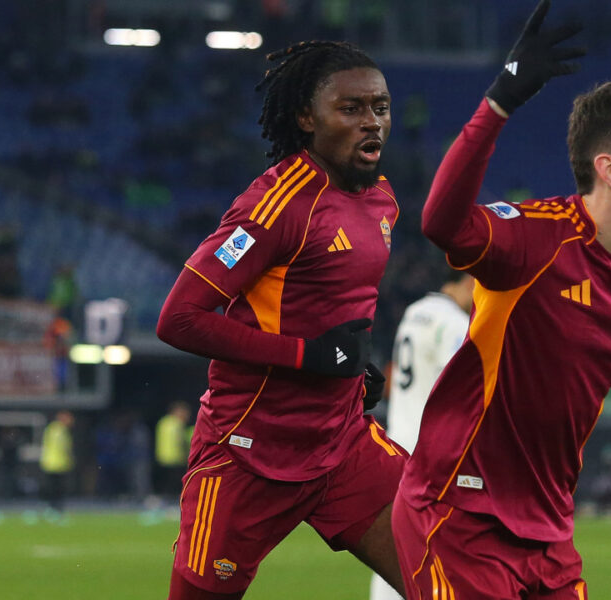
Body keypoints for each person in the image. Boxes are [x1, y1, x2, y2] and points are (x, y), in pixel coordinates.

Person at [391, 2, 611, 598]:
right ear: (608, 169)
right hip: (461, 514)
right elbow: (442, 224)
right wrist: (499, 101)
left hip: (549, 531)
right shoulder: (535, 238)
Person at [155, 40, 406, 600]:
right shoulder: (276, 205)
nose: (372, 123)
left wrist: (352, 371)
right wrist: (308, 357)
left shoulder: (382, 198)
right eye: (352, 108)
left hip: (343, 446)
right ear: (305, 117)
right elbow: (179, 319)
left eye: (381, 107)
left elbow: (329, 306)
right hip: (248, 455)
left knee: (455, 573)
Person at [370, 269, 474, 600]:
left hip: (396, 442)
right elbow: (466, 386)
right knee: (434, 552)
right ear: (471, 280)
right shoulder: (455, 324)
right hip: (431, 456)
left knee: (393, 547)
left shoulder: (415, 312)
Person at [39, 410, 75, 514]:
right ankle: (54, 508)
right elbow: (63, 447)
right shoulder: (58, 430)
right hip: (56, 463)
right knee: (56, 488)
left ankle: (54, 508)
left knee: (56, 487)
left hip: (54, 462)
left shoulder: (54, 429)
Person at [154, 401, 191, 500]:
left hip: (162, 457)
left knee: (165, 482)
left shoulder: (163, 422)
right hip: (175, 458)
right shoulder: (177, 423)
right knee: (174, 483)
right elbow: (180, 441)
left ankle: (162, 500)